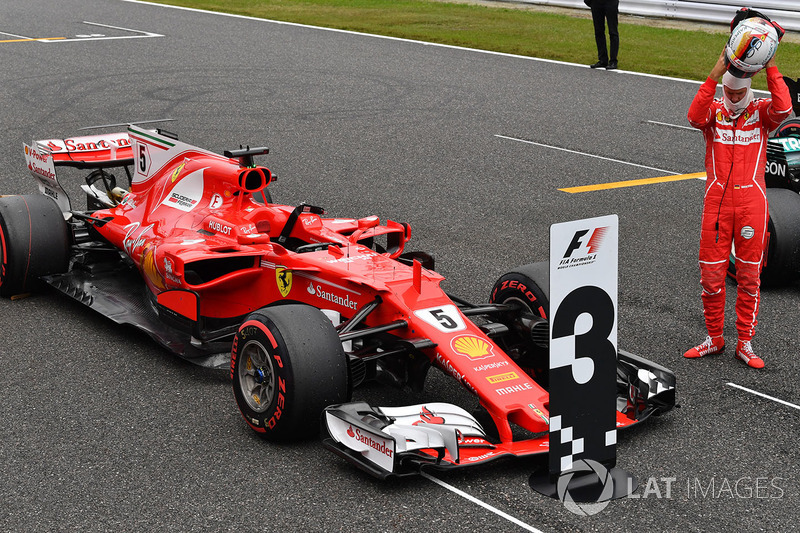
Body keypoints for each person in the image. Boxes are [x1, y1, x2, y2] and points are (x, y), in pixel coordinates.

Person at [684, 51, 792, 368]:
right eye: (729, 92)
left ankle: (745, 343)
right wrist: (713, 75)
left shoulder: (761, 114)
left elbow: (785, 107)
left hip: (752, 206)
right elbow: (693, 117)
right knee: (711, 277)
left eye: (739, 92)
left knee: (749, 277)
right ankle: (714, 339)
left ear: (748, 90)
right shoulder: (713, 114)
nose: (733, 97)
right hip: (716, 207)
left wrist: (770, 64)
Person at [589, 0, 619, 70]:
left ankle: (613, 61)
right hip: (596, 2)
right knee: (598, 31)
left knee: (613, 31)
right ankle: (603, 59)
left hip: (610, 2)